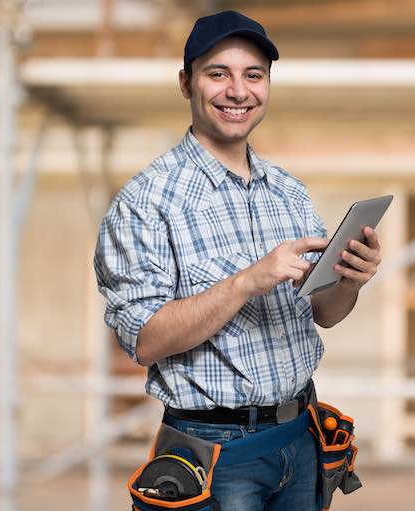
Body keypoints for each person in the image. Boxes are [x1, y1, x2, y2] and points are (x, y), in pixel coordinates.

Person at [93, 10, 381, 510]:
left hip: (301, 436)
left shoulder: (287, 192)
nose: (238, 91)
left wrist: (350, 282)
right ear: (186, 83)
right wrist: (247, 281)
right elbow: (144, 341)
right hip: (212, 452)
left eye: (254, 75)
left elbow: (323, 315)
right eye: (217, 73)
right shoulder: (146, 202)